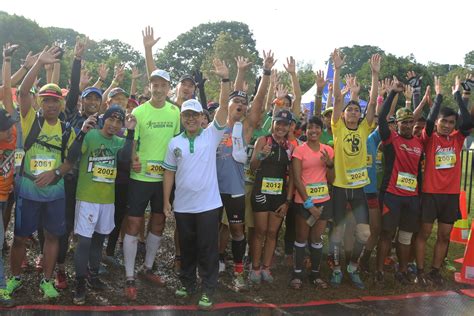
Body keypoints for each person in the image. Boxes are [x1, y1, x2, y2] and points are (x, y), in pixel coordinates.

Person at [7, 46, 76, 299]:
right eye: (46, 99)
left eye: (55, 100)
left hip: (55, 193)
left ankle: (46, 281)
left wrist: (56, 172)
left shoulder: (66, 129)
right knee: (21, 237)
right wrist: (38, 63)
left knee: (53, 236)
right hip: (28, 190)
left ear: (61, 103)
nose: (50, 104)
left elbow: (70, 161)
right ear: (40, 102)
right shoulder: (28, 118)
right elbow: (23, 91)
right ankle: (14, 278)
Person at [163, 59, 229, 310]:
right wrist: (166, 201)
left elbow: (223, 108)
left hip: (209, 206)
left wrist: (225, 79)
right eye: (186, 115)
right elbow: (169, 174)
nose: (191, 119)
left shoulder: (211, 135)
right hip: (183, 206)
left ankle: (208, 288)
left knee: (207, 248)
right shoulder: (174, 143)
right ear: (182, 117)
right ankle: (187, 283)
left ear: (203, 117)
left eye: (195, 115)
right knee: (187, 247)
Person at [215, 51, 275, 290]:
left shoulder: (245, 128)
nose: (240, 105)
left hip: (235, 189)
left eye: (243, 103)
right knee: (215, 228)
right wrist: (232, 77)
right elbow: (229, 98)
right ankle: (215, 260)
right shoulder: (217, 124)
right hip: (212, 188)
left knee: (236, 230)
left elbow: (258, 103)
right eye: (235, 102)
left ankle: (238, 269)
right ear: (226, 104)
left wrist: (266, 73)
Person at [65, 106, 135, 305]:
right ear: (104, 119)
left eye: (118, 121)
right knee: (84, 242)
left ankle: (93, 276)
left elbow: (123, 160)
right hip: (87, 197)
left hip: (107, 200)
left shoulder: (120, 141)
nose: (114, 125)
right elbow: (72, 156)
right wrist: (82, 132)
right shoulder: (91, 135)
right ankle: (79, 282)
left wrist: (130, 132)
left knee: (98, 241)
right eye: (111, 119)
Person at [122, 68, 180, 301]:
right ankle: (129, 276)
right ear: (149, 87)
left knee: (158, 222)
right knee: (134, 224)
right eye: (154, 85)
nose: (158, 89)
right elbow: (132, 141)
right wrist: (133, 159)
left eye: (163, 85)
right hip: (140, 178)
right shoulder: (139, 111)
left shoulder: (175, 112)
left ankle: (147, 268)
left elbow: (176, 143)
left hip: (164, 178)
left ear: (168, 88)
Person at [328, 49, 379, 289]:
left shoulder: (364, 128)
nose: (353, 112)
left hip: (359, 188)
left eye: (356, 110)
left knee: (364, 233)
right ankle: (336, 269)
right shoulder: (337, 127)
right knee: (337, 232)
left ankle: (353, 268)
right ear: (344, 113)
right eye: (350, 109)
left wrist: (374, 75)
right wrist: (337, 70)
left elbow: (372, 104)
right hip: (339, 187)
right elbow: (338, 99)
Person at [416, 76, 471, 286]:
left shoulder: (457, 139)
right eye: (444, 121)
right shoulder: (428, 137)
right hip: (430, 193)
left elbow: (468, 123)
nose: (447, 126)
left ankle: (435, 271)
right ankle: (420, 270)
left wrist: (459, 95)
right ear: (437, 121)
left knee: (445, 236)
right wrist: (438, 97)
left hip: (450, 195)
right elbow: (428, 123)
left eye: (451, 122)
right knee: (425, 233)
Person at [375, 80, 424, 285]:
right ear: (397, 124)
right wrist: (392, 94)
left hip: (411, 197)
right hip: (392, 195)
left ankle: (402, 269)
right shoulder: (390, 139)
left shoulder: (419, 143)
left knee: (405, 236)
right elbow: (381, 120)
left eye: (409, 122)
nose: (406, 125)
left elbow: (418, 173)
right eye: (403, 122)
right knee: (387, 233)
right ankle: (378, 270)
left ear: (414, 124)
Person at [249, 109, 294, 284]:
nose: (281, 127)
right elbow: (253, 166)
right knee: (259, 232)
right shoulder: (263, 140)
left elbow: (292, 177)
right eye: (278, 123)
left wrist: (288, 202)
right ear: (273, 124)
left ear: (289, 127)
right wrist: (261, 154)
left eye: (285, 124)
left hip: (279, 196)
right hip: (261, 193)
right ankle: (254, 268)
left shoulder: (290, 147)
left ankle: (266, 268)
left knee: (272, 233)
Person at [290, 116, 334, 289]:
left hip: (324, 201)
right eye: (310, 128)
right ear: (305, 131)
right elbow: (297, 179)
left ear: (322, 130)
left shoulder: (328, 150)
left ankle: (315, 275)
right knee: (301, 238)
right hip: (304, 202)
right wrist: (310, 205)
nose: (313, 131)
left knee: (317, 239)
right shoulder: (299, 151)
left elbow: (332, 179)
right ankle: (297, 275)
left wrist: (330, 165)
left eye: (317, 127)